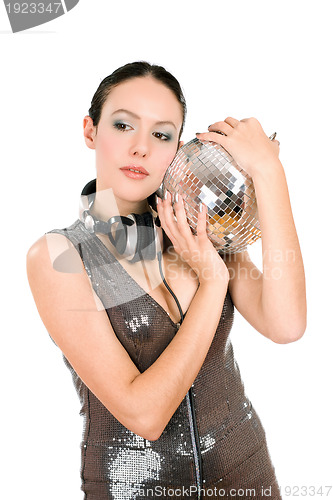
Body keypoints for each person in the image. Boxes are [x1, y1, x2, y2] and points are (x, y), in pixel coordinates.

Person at [26, 61, 306, 500]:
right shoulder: (61, 255)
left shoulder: (201, 229)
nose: (140, 148)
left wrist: (270, 173)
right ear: (90, 131)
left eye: (161, 135)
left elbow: (287, 324)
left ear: (178, 147)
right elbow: (146, 414)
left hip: (247, 478)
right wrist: (212, 282)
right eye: (123, 125)